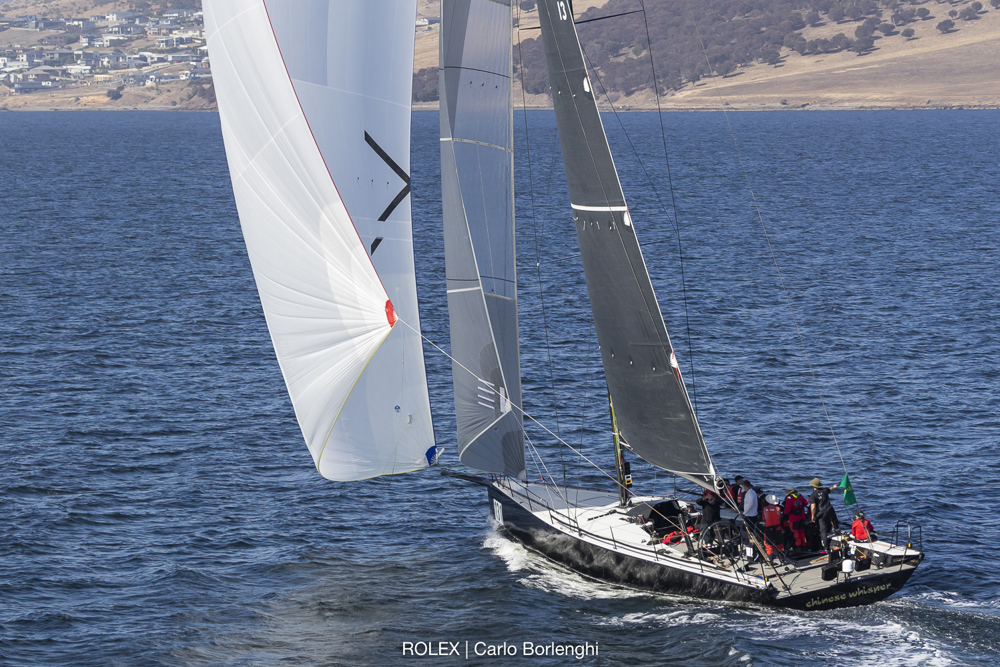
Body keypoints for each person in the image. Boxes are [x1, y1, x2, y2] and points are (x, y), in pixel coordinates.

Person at [808, 477, 836, 550]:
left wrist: (813, 516)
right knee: (834, 519)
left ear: (813, 486)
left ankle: (825, 547)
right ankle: (837, 529)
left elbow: (813, 507)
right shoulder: (825, 490)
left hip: (821, 514)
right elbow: (831, 489)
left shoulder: (813, 495)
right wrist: (834, 487)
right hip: (829, 510)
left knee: (823, 531)